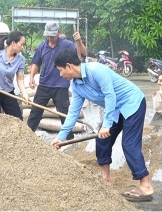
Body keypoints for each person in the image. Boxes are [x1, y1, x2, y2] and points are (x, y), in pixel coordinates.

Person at [50, 49, 154, 202]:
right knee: (102, 140)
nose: (60, 74)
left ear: (69, 66)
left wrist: (106, 125)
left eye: (60, 70)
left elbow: (110, 95)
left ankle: (146, 186)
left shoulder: (96, 70)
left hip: (132, 102)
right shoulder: (76, 85)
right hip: (115, 109)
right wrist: (61, 137)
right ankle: (106, 180)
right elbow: (73, 112)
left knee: (129, 144)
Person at [27, 21, 87, 140]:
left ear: (58, 33)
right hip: (44, 85)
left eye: (53, 35)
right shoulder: (42, 46)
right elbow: (36, 63)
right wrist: (31, 77)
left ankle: (68, 139)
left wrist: (79, 41)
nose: (50, 38)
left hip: (61, 85)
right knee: (35, 112)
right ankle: (27, 137)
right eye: (48, 35)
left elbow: (83, 53)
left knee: (64, 114)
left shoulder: (67, 45)